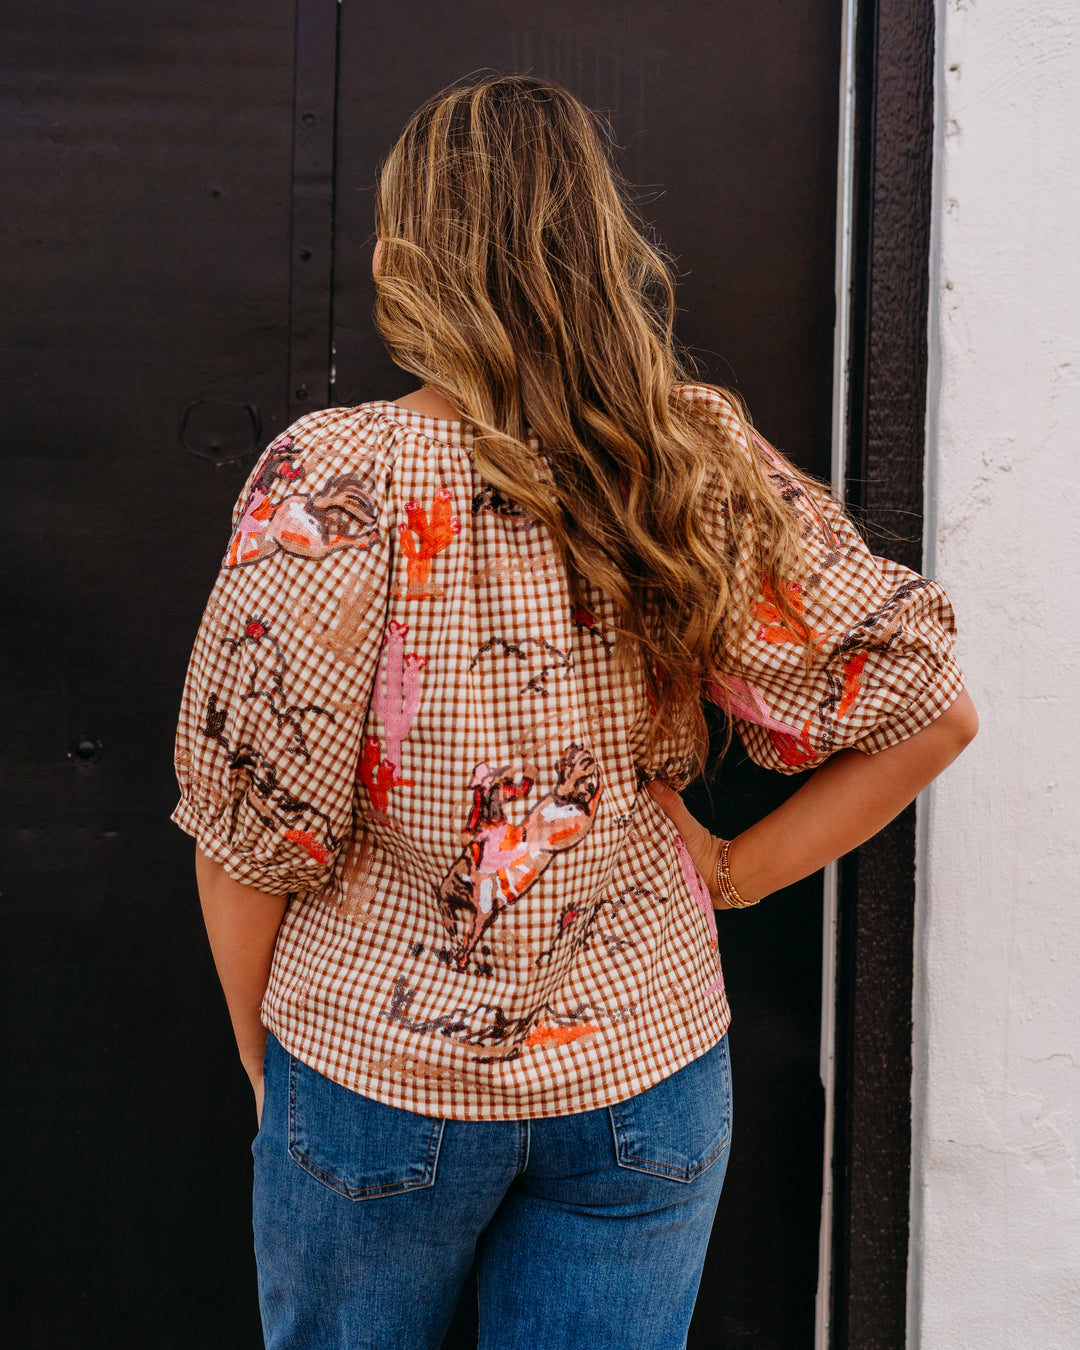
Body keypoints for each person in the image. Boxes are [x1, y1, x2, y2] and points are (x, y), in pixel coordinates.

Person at [173, 75, 977, 1350]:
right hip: (645, 1082)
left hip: (375, 1076)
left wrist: (271, 1067)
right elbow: (930, 711)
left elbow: (246, 836)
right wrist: (737, 871)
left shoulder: (330, 477)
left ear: (396, 264)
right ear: (602, 255)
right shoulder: (693, 456)